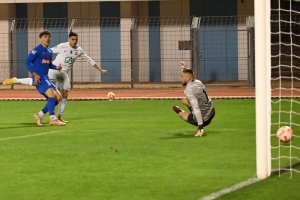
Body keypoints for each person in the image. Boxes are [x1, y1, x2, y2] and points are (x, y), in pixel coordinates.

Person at [3, 32, 108, 122]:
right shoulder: (62, 46)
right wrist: (39, 63)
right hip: (53, 71)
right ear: (69, 39)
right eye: (73, 39)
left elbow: (89, 59)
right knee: (38, 81)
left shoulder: (79, 50)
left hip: (63, 73)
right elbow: (49, 51)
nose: (74, 41)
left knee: (64, 95)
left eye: (76, 40)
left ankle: (58, 116)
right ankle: (16, 80)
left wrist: (101, 70)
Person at [25, 30, 65, 126]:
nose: (47, 39)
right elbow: (27, 62)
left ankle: (40, 115)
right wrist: (34, 74)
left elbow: (48, 64)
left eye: (49, 37)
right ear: (41, 39)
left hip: (46, 78)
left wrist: (56, 67)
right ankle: (53, 118)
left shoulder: (49, 51)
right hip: (39, 78)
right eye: (45, 37)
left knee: (59, 97)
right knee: (51, 95)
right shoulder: (37, 50)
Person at [173, 68, 215, 137]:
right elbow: (190, 73)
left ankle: (183, 112)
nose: (180, 78)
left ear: (188, 78)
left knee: (180, 114)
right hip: (211, 111)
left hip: (205, 119)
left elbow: (196, 108)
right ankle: (191, 109)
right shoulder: (198, 82)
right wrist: (184, 68)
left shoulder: (188, 91)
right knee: (184, 100)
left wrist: (200, 127)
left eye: (182, 77)